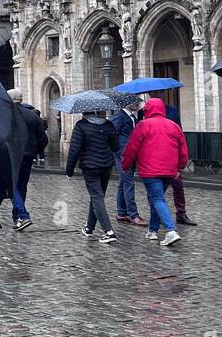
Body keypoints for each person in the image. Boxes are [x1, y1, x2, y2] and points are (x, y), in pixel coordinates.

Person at [121, 96, 189, 248]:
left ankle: (171, 230)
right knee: (156, 199)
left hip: (150, 170)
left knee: (157, 199)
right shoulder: (173, 125)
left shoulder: (143, 125)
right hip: (169, 170)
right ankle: (152, 231)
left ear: (148, 111)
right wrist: (180, 167)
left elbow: (132, 148)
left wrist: (125, 164)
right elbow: (183, 150)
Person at [65, 110, 119, 243]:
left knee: (97, 197)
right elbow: (115, 146)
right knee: (97, 196)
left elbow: (74, 149)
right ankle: (89, 228)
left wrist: (69, 170)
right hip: (106, 165)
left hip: (90, 166)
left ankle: (109, 231)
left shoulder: (81, 125)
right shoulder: (109, 125)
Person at [7, 88, 48, 230]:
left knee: (12, 185)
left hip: (12, 155)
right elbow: (43, 139)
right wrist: (34, 151)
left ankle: (23, 215)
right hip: (28, 155)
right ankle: (17, 218)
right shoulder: (33, 116)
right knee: (21, 185)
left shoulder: (7, 115)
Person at [162, 101, 197, 227]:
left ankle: (181, 213)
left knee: (178, 184)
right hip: (156, 154)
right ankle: (158, 214)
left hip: (171, 152)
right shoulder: (143, 113)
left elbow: (179, 132)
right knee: (156, 188)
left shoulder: (172, 110)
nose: (157, 94)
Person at [111, 99, 143, 225]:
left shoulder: (132, 117)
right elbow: (112, 135)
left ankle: (121, 213)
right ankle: (133, 214)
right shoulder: (119, 116)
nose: (137, 104)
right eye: (134, 101)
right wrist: (119, 152)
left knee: (123, 182)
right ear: (126, 103)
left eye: (138, 101)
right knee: (128, 183)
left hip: (130, 153)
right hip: (123, 155)